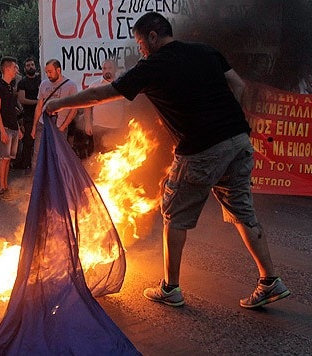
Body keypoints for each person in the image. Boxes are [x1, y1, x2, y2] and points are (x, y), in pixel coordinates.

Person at [45, 12, 290, 309]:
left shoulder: (152, 66)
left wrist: (59, 102)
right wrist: (226, 122)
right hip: (238, 141)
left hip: (201, 150)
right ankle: (270, 280)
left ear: (151, 36)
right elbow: (238, 86)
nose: (140, 50)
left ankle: (170, 288)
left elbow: (102, 94)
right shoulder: (205, 51)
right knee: (243, 212)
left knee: (174, 215)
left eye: (140, 42)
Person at [31, 59, 78, 172]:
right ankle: (35, 183)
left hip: (59, 126)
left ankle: (56, 184)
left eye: (50, 72)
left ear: (58, 70)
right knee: (37, 154)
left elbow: (74, 109)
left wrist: (63, 126)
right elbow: (39, 106)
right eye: (46, 72)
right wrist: (34, 127)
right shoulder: (44, 84)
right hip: (43, 124)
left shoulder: (70, 85)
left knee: (58, 156)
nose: (48, 75)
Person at [0, 57, 22, 200]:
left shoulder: (10, 87)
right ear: (7, 69)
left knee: (8, 158)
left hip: (13, 127)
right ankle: (1, 188)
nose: (16, 70)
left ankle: (6, 186)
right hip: (5, 128)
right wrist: (2, 129)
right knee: (3, 158)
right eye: (15, 67)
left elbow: (12, 109)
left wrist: (18, 128)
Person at [83, 59, 127, 153]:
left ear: (115, 69)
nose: (107, 70)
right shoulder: (94, 85)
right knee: (99, 157)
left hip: (116, 127)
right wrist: (88, 124)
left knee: (117, 156)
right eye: (104, 68)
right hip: (99, 127)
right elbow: (87, 106)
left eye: (110, 68)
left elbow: (127, 105)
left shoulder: (122, 84)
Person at [15, 57, 40, 170]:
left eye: (32, 65)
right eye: (28, 65)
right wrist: (38, 102)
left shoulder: (41, 80)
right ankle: (26, 165)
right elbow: (22, 99)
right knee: (28, 142)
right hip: (29, 116)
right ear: (25, 69)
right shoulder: (22, 83)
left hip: (41, 116)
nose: (31, 67)